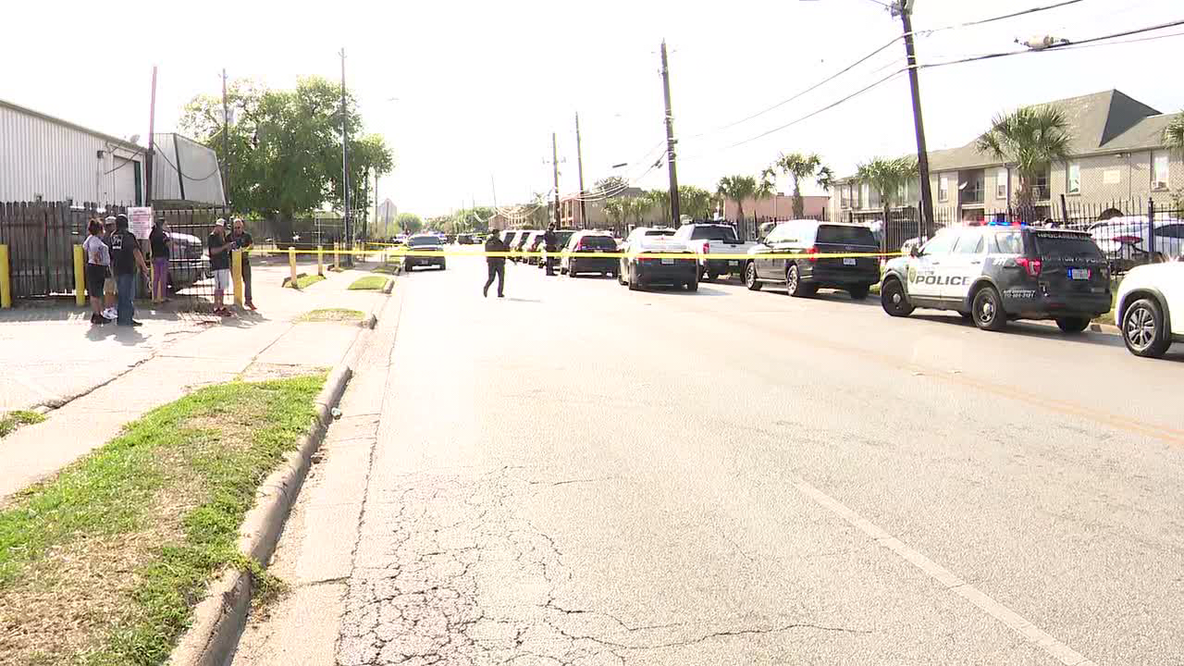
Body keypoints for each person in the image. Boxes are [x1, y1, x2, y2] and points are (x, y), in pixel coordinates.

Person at [110, 214, 150, 327]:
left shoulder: (113, 236)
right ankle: (127, 319)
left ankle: (121, 318)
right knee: (128, 295)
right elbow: (136, 252)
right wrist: (144, 267)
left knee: (121, 294)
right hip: (128, 269)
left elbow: (111, 253)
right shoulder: (128, 236)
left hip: (117, 269)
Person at [83, 218, 113, 325]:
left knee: (95, 292)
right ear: (99, 230)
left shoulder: (90, 239)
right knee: (97, 293)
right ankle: (97, 314)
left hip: (93, 267)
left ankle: (96, 313)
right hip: (97, 267)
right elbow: (96, 255)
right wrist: (100, 261)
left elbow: (85, 247)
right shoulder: (96, 242)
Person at [208, 219, 234, 316]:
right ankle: (216, 306)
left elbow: (223, 249)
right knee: (218, 287)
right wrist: (224, 247)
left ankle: (221, 306)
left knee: (222, 287)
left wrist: (228, 247)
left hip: (224, 264)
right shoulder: (212, 237)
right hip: (217, 265)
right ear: (219, 227)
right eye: (223, 228)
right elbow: (213, 251)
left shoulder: (221, 237)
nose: (223, 230)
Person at [228, 218, 255, 310]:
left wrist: (244, 250)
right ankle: (237, 301)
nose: (237, 229)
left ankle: (248, 301)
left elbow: (251, 246)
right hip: (234, 263)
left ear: (242, 227)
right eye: (235, 228)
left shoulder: (247, 236)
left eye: (238, 227)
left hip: (245, 262)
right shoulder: (229, 237)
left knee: (247, 282)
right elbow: (226, 248)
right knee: (236, 282)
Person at [148, 218, 172, 304]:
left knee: (155, 278)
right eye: (165, 225)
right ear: (161, 225)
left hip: (155, 257)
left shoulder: (152, 234)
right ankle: (162, 296)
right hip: (163, 257)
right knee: (163, 278)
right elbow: (169, 244)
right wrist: (170, 233)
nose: (167, 226)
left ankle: (154, 297)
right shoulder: (163, 235)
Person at [101, 216, 118, 320]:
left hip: (106, 265)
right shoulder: (110, 237)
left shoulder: (104, 236)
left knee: (109, 288)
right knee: (109, 288)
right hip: (109, 265)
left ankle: (110, 307)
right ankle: (108, 308)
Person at [483, 233, 507, 298]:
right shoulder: (499, 242)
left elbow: (486, 251)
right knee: (501, 278)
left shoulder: (488, 242)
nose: (499, 235)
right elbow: (504, 251)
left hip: (491, 262)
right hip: (499, 262)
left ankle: (486, 287)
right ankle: (499, 293)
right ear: (496, 234)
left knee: (491, 278)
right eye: (498, 234)